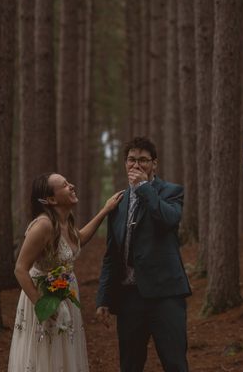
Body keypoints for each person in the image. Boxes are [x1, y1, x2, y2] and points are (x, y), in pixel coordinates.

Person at [8, 172, 124, 371]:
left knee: (64, 354)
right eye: (64, 185)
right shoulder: (43, 225)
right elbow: (20, 269)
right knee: (46, 355)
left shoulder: (65, 221)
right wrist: (42, 305)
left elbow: (78, 239)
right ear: (51, 199)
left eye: (69, 182)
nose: (71, 186)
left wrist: (105, 211)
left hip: (66, 294)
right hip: (44, 296)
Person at [96, 136, 191, 372]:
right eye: (131, 160)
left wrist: (143, 188)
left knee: (175, 363)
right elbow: (111, 254)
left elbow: (168, 219)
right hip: (129, 297)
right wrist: (104, 298)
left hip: (165, 295)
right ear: (124, 163)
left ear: (154, 164)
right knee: (130, 364)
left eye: (143, 160)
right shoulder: (117, 202)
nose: (136, 165)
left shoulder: (171, 191)